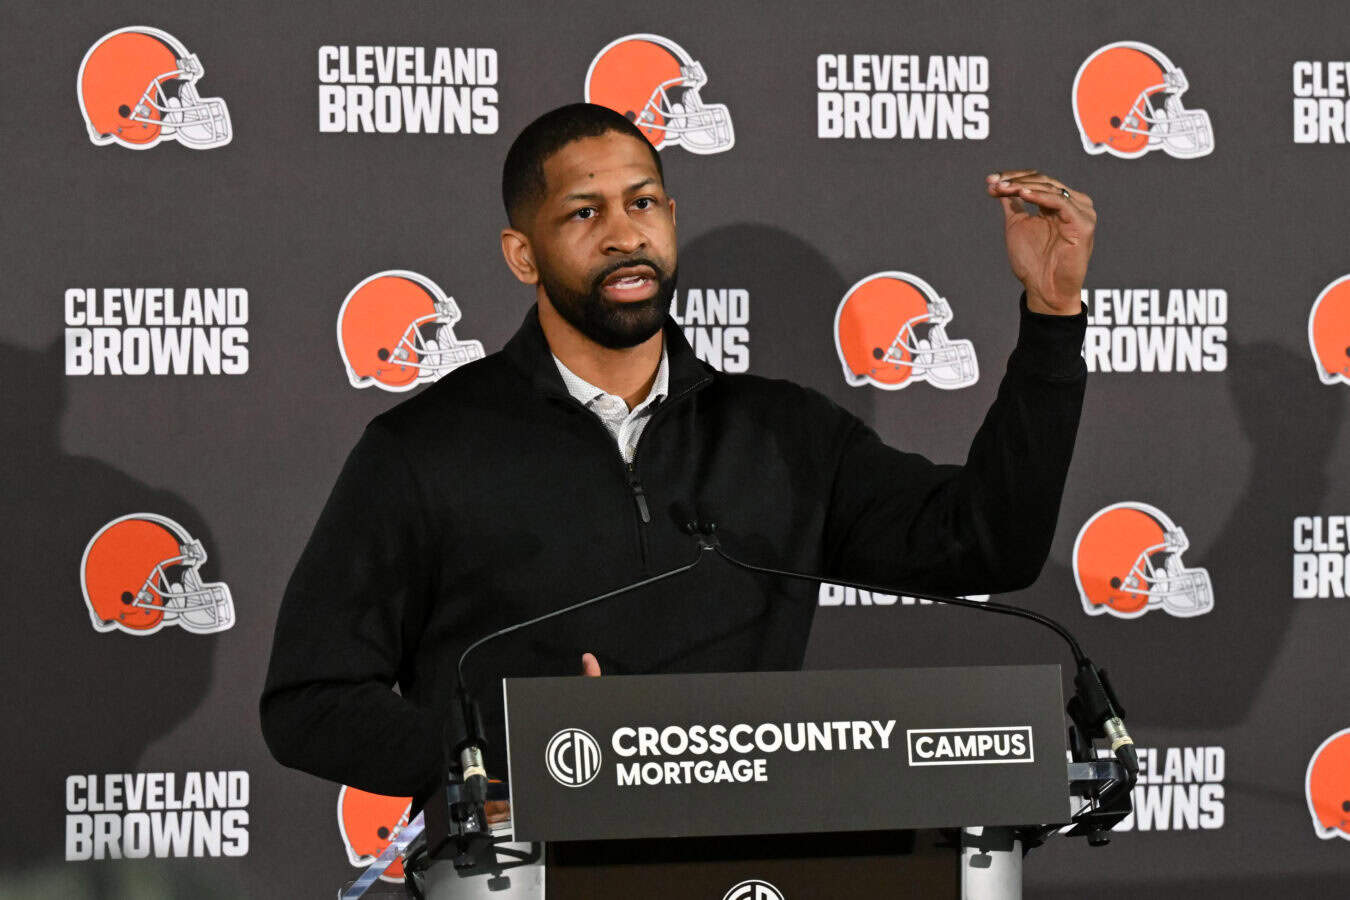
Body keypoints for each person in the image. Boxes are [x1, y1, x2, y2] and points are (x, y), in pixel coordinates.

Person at [260, 103, 1095, 811]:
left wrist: (1052, 318)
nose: (625, 235)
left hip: (747, 872)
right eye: (585, 213)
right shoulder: (424, 450)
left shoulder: (782, 432)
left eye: (645, 203)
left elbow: (988, 544)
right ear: (523, 254)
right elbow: (311, 701)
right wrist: (505, 753)